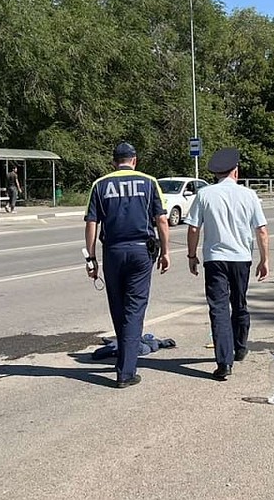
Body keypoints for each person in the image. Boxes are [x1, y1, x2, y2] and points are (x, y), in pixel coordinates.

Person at [83, 142, 170, 388]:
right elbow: (161, 220)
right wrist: (166, 252)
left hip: (112, 252)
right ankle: (126, 372)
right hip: (141, 252)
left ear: (114, 162)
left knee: (119, 307)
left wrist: (91, 259)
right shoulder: (149, 181)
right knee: (135, 309)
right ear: (135, 160)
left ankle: (125, 356)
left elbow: (91, 223)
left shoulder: (100, 184)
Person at [184, 147, 270, 381]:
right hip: (241, 259)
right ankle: (240, 347)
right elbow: (261, 231)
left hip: (215, 260)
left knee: (219, 309)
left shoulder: (205, 194)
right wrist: (264, 260)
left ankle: (224, 362)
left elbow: (193, 228)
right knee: (239, 302)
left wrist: (192, 256)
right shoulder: (249, 195)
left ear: (217, 173)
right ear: (236, 171)